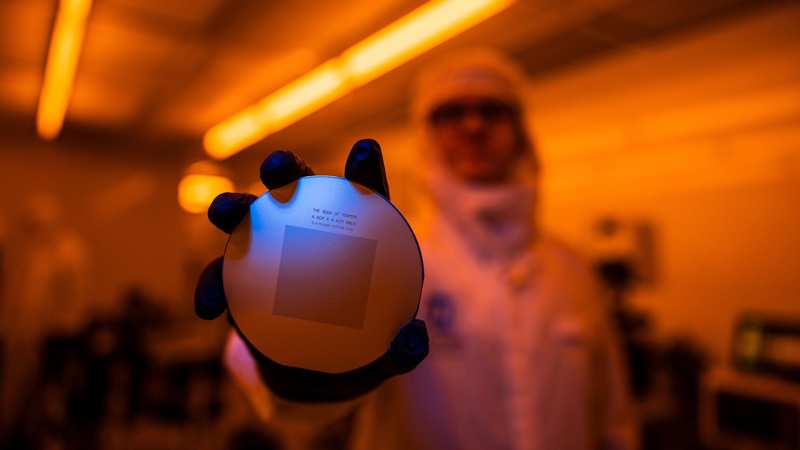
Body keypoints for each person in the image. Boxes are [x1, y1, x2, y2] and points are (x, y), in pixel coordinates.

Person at [196, 49, 638, 450]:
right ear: (427, 136)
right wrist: (297, 378)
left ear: (522, 135)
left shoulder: (572, 270)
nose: (473, 125)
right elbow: (304, 416)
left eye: (492, 110)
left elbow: (613, 415)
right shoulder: (386, 261)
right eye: (451, 113)